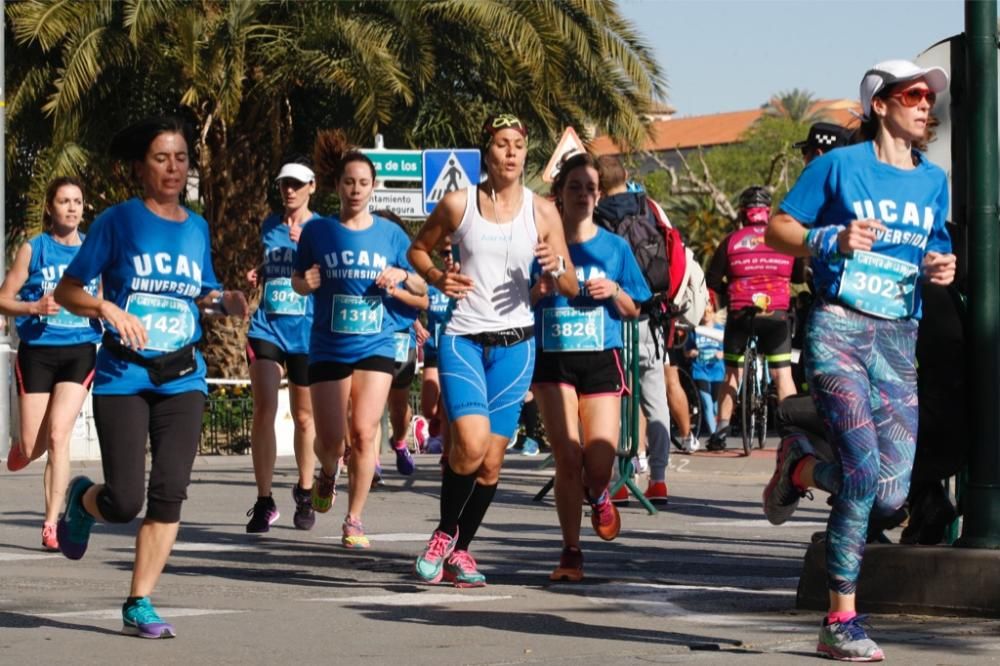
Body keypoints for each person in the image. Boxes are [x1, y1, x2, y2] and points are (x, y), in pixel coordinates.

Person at [761, 60, 953, 662]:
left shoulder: (934, 180)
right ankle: (840, 619)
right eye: (913, 95)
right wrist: (829, 239)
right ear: (881, 104)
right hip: (840, 331)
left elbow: (936, 246)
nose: (926, 105)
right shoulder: (838, 166)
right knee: (865, 474)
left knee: (893, 495)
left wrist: (940, 268)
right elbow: (777, 228)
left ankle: (799, 467)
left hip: (899, 339)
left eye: (929, 97)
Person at [53, 116, 249, 639]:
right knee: (124, 501)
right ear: (143, 167)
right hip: (123, 374)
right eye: (161, 158)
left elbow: (202, 291)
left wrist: (224, 299)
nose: (172, 168)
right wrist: (104, 308)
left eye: (181, 158)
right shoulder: (117, 222)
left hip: (183, 376)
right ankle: (84, 500)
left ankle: (139, 599)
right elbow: (69, 290)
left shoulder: (198, 227)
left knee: (169, 491)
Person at [408, 113, 577, 587]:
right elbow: (417, 252)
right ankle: (443, 533)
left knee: (492, 462)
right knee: (470, 446)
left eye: (518, 146)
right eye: (502, 144)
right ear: (487, 151)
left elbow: (568, 282)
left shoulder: (542, 212)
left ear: (526, 153)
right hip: (464, 338)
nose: (510, 153)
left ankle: (461, 552)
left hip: (517, 345)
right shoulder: (459, 204)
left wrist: (555, 264)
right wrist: (440, 278)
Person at [291, 130, 418, 549]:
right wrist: (305, 284)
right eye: (349, 182)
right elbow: (296, 279)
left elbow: (421, 279)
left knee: (364, 432)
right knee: (331, 441)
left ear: (373, 187)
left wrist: (402, 275)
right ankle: (328, 473)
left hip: (376, 344)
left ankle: (354, 519)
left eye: (364, 183)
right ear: (338, 185)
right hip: (328, 344)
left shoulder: (391, 235)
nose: (356, 190)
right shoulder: (318, 232)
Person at [531, 153, 649, 581]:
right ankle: (571, 551)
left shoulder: (615, 247)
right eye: (574, 187)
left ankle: (599, 493)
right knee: (567, 455)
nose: (582, 195)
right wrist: (538, 289)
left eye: (590, 188)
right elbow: (517, 303)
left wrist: (614, 289)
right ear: (559, 194)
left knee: (598, 460)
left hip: (601, 358)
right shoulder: (540, 246)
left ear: (599, 196)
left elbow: (633, 308)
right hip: (554, 358)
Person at [0, 177, 101, 551]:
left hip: (79, 351)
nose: (72, 208)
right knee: (33, 444)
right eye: (64, 201)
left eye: (77, 200)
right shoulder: (34, 249)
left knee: (59, 435)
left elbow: (106, 292)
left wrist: (105, 310)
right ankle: (23, 449)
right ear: (50, 207)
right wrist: (32, 307)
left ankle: (51, 523)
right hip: (38, 351)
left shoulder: (94, 249)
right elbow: (3, 299)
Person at [243, 159, 319, 533]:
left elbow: (331, 275)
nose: (289, 190)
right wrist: (260, 269)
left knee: (304, 417)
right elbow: (275, 263)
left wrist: (306, 248)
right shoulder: (270, 224)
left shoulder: (322, 228)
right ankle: (263, 499)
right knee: (264, 408)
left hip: (306, 333)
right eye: (284, 184)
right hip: (267, 326)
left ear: (312, 187)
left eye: (296, 184)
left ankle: (305, 490)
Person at [594, 155, 673, 504]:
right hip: (650, 317)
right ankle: (658, 479)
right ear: (626, 175)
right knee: (656, 401)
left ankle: (620, 480)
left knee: (614, 401)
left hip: (613, 318)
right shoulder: (650, 208)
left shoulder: (595, 218)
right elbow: (675, 253)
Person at [705, 185, 801, 451]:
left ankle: (720, 432)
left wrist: (732, 290)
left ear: (742, 213)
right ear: (768, 213)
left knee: (732, 374)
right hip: (777, 315)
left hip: (740, 314)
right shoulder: (784, 240)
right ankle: (794, 435)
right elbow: (801, 276)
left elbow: (711, 279)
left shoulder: (731, 241)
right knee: (783, 375)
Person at [376, 210, 428, 477]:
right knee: (368, 406)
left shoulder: (404, 259)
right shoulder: (366, 253)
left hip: (400, 338)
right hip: (369, 336)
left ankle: (398, 442)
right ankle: (369, 463)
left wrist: (399, 285)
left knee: (398, 407)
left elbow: (422, 297)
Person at [686, 298, 725, 435]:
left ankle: (717, 430)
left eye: (708, 308)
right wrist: (691, 352)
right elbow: (686, 351)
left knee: (715, 406)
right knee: (707, 404)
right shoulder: (695, 330)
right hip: (700, 370)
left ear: (713, 309)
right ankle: (715, 436)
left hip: (717, 371)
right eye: (703, 309)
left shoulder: (721, 330)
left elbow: (731, 351)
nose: (706, 312)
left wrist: (723, 353)